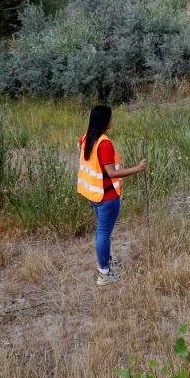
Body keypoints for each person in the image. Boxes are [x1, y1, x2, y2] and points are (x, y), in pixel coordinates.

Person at [76, 105, 148, 286]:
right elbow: (112, 173)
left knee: (101, 231)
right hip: (107, 197)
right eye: (110, 118)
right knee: (103, 233)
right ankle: (104, 273)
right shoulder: (104, 143)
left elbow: (86, 154)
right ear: (104, 121)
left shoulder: (86, 137)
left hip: (93, 194)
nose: (112, 121)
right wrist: (138, 169)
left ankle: (105, 262)